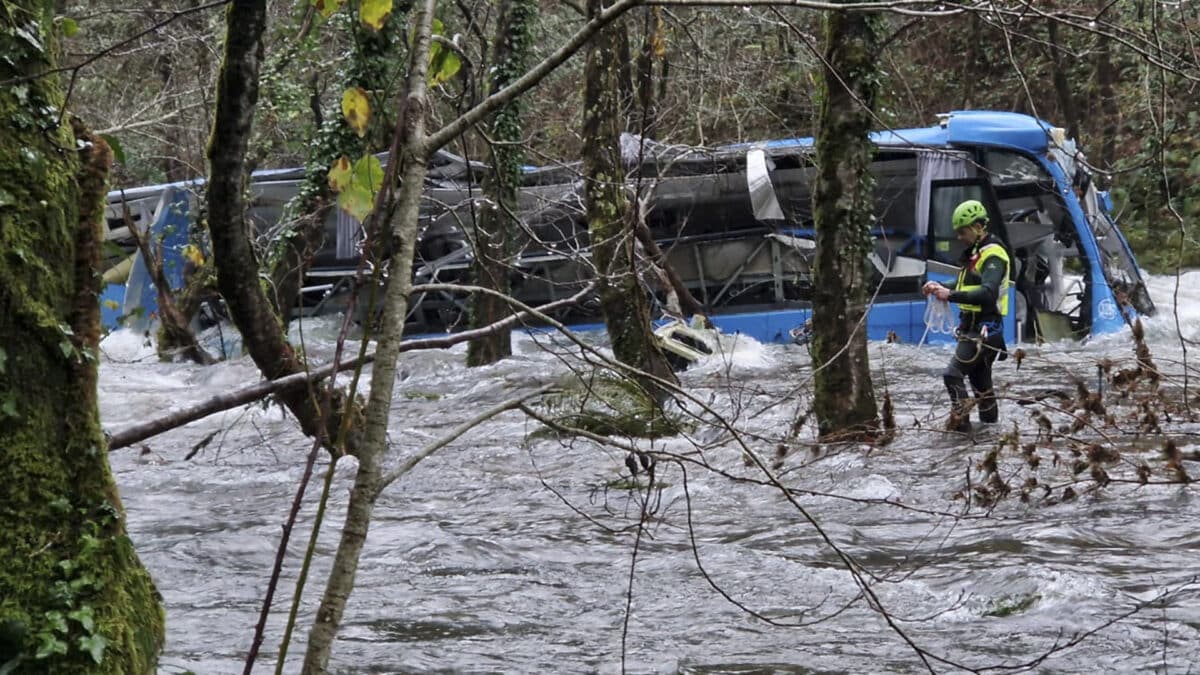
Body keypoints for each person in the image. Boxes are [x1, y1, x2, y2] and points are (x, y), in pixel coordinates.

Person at [922, 199, 1012, 433]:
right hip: (974, 328)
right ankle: (990, 436)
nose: (960, 237)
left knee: (952, 375)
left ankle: (961, 429)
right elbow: (965, 283)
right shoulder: (976, 252)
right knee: (982, 388)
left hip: (984, 330)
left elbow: (988, 292)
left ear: (978, 227)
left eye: (963, 231)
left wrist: (950, 295)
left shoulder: (994, 255)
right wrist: (939, 286)